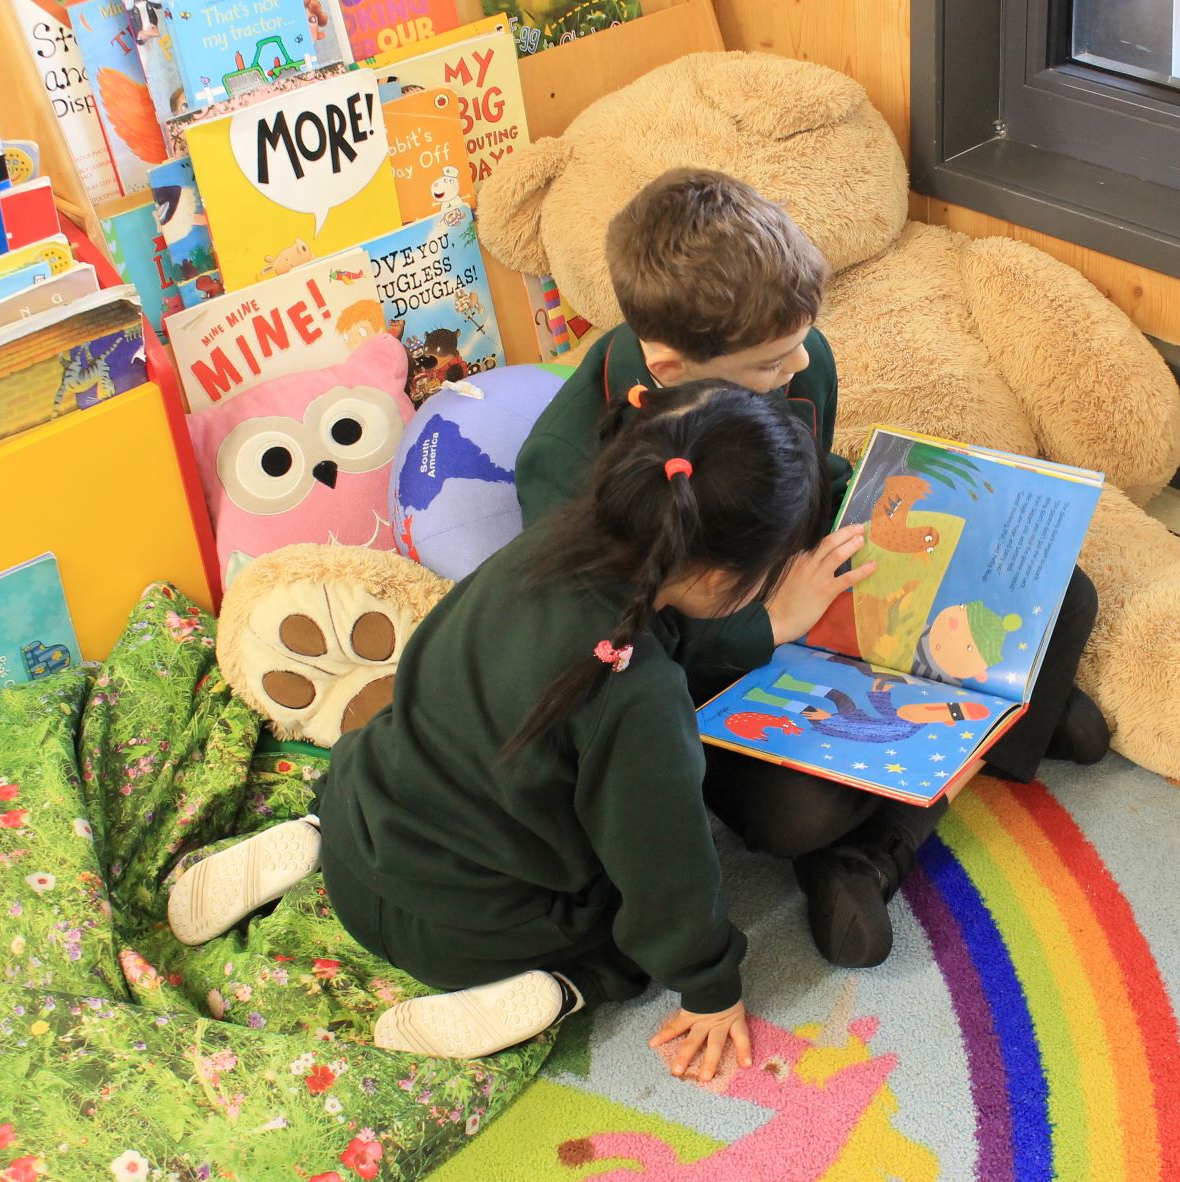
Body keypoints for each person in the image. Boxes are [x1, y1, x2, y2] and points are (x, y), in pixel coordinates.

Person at [516, 167, 1109, 970]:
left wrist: (888, 508)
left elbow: (808, 475)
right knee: (796, 814)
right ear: (669, 366)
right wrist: (771, 625)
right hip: (704, 665)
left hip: (802, 578)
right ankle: (905, 814)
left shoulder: (798, 357)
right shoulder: (565, 473)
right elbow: (617, 657)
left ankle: (958, 748)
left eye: (802, 343)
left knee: (1062, 594)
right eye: (770, 364)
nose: (797, 368)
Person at [166, 382, 834, 1080]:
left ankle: (304, 832)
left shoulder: (549, 540)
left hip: (356, 835)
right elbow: (666, 867)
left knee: (418, 740)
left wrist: (759, 623)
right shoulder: (637, 694)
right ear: (722, 576)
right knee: (622, 924)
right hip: (464, 939)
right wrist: (709, 987)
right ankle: (563, 986)